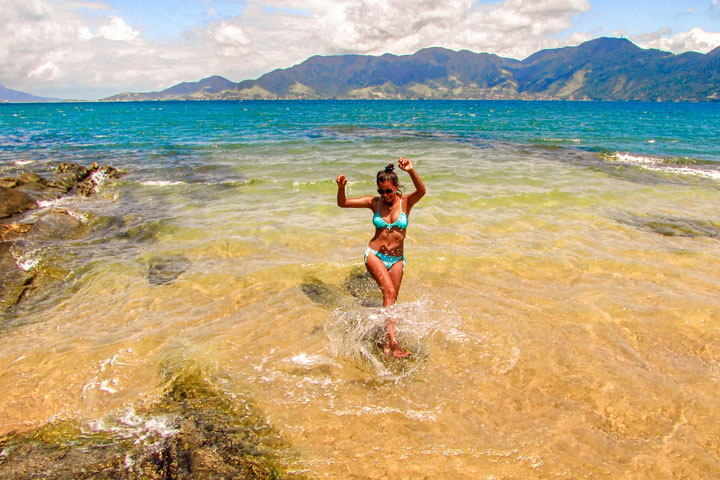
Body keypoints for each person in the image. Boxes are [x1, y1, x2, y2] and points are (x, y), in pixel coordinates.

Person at [335, 157, 426, 358]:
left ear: (396, 187)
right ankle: (393, 342)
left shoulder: (406, 202)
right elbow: (342, 203)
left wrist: (411, 171)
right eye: (381, 191)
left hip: (397, 259)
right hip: (374, 254)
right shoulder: (373, 203)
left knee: (393, 298)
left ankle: (384, 342)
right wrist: (342, 187)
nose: (385, 195)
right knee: (389, 293)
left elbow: (422, 191)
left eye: (388, 191)